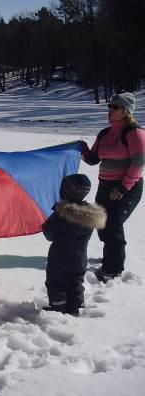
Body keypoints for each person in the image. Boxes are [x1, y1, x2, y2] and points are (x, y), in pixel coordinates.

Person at [82, 92, 145, 282]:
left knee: (113, 224)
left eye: (115, 107)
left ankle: (113, 268)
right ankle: (111, 254)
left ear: (126, 111)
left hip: (127, 187)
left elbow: (139, 162)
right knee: (101, 223)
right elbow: (93, 159)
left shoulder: (134, 132)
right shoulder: (105, 134)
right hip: (105, 185)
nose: (110, 110)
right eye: (109, 106)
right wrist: (81, 148)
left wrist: (124, 187)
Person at [42, 174, 106, 315]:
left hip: (60, 256)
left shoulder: (63, 214)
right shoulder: (89, 214)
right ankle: (76, 305)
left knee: (56, 280)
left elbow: (49, 234)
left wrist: (50, 221)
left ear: (65, 192)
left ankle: (58, 305)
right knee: (76, 281)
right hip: (80, 257)